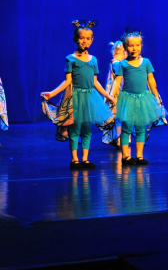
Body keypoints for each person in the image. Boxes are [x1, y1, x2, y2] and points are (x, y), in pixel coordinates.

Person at [41, 20, 114, 169]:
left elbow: (95, 82)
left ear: (92, 40)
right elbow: (67, 81)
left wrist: (108, 96)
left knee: (87, 129)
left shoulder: (93, 60)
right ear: (75, 39)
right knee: (74, 129)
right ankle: (74, 159)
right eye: (81, 38)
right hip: (74, 98)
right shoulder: (71, 59)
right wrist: (52, 94)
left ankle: (85, 159)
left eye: (88, 38)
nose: (84, 41)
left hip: (89, 98)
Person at [110, 28, 166, 166]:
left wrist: (156, 95)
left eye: (137, 45)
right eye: (131, 45)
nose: (134, 48)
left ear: (141, 46)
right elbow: (117, 81)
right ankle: (125, 156)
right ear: (125, 47)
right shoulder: (123, 64)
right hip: (127, 99)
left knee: (141, 128)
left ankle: (139, 156)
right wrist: (111, 95)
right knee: (126, 127)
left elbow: (151, 80)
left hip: (142, 99)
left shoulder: (146, 62)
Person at [102, 40, 127, 148]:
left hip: (119, 94)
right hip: (117, 95)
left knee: (121, 118)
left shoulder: (116, 62)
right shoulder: (117, 63)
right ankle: (119, 139)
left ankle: (121, 138)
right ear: (124, 52)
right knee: (119, 118)